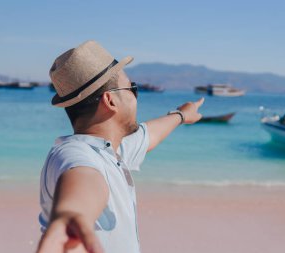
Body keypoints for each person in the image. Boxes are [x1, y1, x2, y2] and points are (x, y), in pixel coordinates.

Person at [37, 40, 204, 253]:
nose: (135, 96)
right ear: (110, 101)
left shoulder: (112, 150)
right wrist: (72, 212)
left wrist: (182, 115)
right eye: (132, 88)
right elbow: (83, 178)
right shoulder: (74, 154)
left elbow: (148, 135)